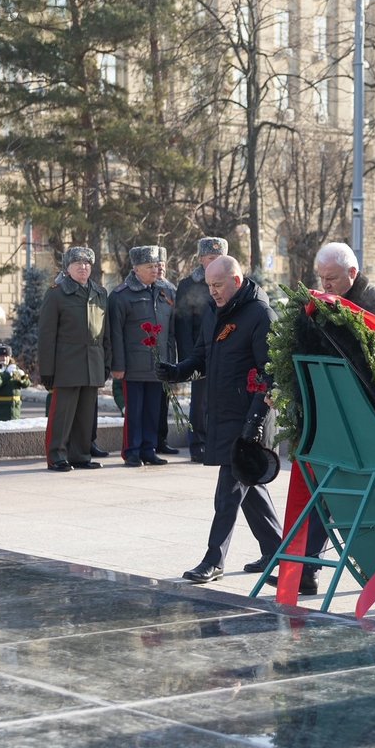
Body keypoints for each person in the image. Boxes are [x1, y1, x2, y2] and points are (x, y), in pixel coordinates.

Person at [161, 255, 281, 582]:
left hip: (249, 418)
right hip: (224, 414)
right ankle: (277, 552)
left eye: (217, 285)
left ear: (236, 281)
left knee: (227, 493)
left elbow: (270, 374)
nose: (212, 291)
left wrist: (255, 423)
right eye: (209, 285)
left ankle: (214, 560)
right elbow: (202, 357)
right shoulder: (215, 312)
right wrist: (177, 371)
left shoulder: (260, 315)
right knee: (250, 488)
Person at [38, 246, 109, 471]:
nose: (83, 267)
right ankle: (56, 456)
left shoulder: (99, 293)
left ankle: (80, 455)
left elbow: (105, 332)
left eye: (87, 263)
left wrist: (106, 362)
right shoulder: (56, 294)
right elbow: (46, 335)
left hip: (93, 363)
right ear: (67, 268)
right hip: (66, 364)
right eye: (77, 263)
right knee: (62, 414)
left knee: (85, 415)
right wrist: (47, 370)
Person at [108, 245, 175, 467]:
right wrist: (118, 365)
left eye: (156, 265)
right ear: (136, 269)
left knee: (153, 411)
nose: (155, 270)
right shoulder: (121, 296)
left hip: (158, 365)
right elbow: (115, 333)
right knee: (134, 412)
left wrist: (172, 363)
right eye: (149, 266)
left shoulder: (165, 292)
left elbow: (170, 332)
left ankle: (149, 449)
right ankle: (132, 451)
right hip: (133, 366)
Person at [173, 237, 225, 460]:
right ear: (201, 259)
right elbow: (183, 325)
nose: (215, 262)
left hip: (227, 352)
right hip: (201, 354)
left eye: (220, 258)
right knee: (201, 402)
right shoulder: (189, 285)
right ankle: (198, 443)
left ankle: (219, 442)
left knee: (223, 400)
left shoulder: (233, 283)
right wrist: (188, 360)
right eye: (211, 258)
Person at [314, 241, 375, 326]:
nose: (325, 285)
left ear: (352, 273)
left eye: (331, 278)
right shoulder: (322, 305)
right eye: (321, 277)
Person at [0, 343, 28, 421]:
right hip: (0, 408)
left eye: (7, 356)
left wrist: (22, 377)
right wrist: (8, 374)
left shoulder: (13, 368)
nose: (4, 358)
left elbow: (26, 384)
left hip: (14, 409)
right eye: (1, 356)